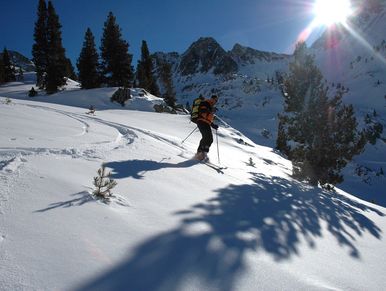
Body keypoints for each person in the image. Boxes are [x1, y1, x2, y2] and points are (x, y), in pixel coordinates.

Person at [195, 94, 219, 161]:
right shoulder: (205, 103)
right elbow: (203, 112)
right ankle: (200, 153)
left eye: (216, 101)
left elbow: (208, 118)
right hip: (202, 122)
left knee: (209, 139)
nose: (215, 101)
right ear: (211, 99)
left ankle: (203, 152)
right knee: (206, 137)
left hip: (206, 123)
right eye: (215, 100)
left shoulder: (210, 106)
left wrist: (213, 125)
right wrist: (210, 110)